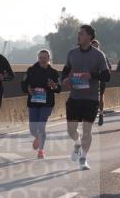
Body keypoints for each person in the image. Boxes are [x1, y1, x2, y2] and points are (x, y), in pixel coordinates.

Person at [60, 25, 110, 170]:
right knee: (71, 130)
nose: (78, 36)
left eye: (81, 34)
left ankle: (83, 158)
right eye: (78, 33)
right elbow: (65, 70)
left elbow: (106, 76)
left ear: (89, 37)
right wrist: (64, 80)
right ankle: (77, 143)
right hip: (75, 97)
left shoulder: (98, 55)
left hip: (91, 98)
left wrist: (92, 75)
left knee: (87, 130)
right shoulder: (72, 53)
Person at [21, 50, 60, 158]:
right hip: (33, 102)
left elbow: (59, 88)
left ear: (49, 59)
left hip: (47, 103)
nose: (43, 60)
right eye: (41, 57)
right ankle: (37, 137)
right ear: (38, 58)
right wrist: (28, 89)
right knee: (33, 129)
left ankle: (41, 150)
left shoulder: (53, 72)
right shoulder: (31, 70)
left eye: (45, 58)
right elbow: (23, 84)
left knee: (41, 126)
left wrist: (54, 85)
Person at [91, 38, 110, 126]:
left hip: (100, 79)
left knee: (101, 97)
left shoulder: (103, 55)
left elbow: (109, 67)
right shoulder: (88, 56)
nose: (95, 48)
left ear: (99, 47)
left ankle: (101, 113)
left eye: (97, 46)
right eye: (93, 46)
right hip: (90, 80)